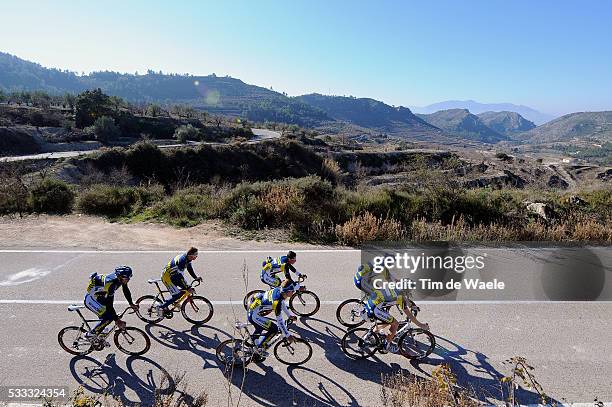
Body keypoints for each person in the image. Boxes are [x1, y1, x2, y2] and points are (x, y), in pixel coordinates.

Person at [365, 289, 429, 353]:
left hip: (370, 303)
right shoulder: (400, 297)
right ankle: (386, 345)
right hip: (375, 309)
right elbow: (409, 315)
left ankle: (371, 334)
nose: (410, 294)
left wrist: (411, 306)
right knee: (395, 324)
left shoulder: (396, 288)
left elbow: (405, 300)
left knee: (389, 322)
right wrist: (421, 325)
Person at [84, 265, 137, 340]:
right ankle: (90, 334)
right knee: (108, 318)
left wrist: (131, 303)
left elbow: (125, 290)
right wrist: (117, 320)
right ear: (119, 276)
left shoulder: (120, 278)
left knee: (109, 316)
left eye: (129, 277)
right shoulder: (111, 284)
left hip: (100, 296)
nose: (128, 280)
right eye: (126, 278)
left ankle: (100, 331)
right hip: (92, 300)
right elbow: (109, 305)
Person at [247, 283, 297, 356]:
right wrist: (288, 335)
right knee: (274, 329)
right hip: (254, 315)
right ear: (287, 292)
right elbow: (280, 322)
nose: (293, 292)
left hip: (253, 308)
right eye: (292, 291)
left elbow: (282, 303)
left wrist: (289, 316)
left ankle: (254, 345)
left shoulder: (278, 290)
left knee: (260, 329)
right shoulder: (277, 303)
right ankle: (260, 348)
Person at [156, 247, 202, 317]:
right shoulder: (182, 261)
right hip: (167, 277)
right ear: (190, 255)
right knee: (177, 295)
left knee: (184, 289)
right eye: (195, 255)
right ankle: (161, 307)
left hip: (173, 275)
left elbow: (190, 269)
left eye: (197, 255)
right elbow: (179, 277)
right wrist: (187, 287)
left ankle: (174, 302)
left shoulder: (187, 258)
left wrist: (196, 277)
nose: (196, 257)